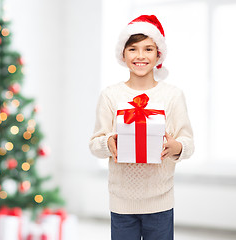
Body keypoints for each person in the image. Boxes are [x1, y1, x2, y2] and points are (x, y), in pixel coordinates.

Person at [89, 15, 194, 240]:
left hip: (160, 201)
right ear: (123, 54)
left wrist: (174, 146)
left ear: (159, 54)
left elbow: (188, 144)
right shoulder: (111, 95)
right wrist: (108, 142)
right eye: (133, 49)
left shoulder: (172, 96)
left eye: (148, 49)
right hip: (122, 202)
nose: (140, 56)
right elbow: (95, 145)